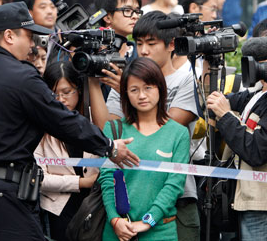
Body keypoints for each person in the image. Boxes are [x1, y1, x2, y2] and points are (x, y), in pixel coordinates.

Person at [0, 1, 139, 241]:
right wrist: (109, 146)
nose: (32, 45)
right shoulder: (22, 76)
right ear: (9, 35)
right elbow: (63, 120)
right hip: (4, 194)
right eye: (28, 37)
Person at [99, 57, 190, 241]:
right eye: (134, 89)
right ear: (125, 93)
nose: (141, 95)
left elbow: (174, 185)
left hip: (160, 232)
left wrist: (148, 221)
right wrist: (115, 220)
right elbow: (106, 179)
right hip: (117, 232)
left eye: (148, 87)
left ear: (160, 88)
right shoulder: (114, 129)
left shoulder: (178, 133)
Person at [206, 37, 267, 241]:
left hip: (262, 205)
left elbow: (257, 151)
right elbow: (213, 102)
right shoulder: (256, 94)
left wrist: (225, 116)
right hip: (245, 199)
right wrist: (209, 60)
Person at [34, 61, 99, 241]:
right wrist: (82, 182)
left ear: (78, 89)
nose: (61, 99)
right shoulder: (40, 127)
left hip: (95, 205)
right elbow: (39, 177)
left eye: (66, 92)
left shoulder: (94, 119)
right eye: (54, 94)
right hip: (58, 209)